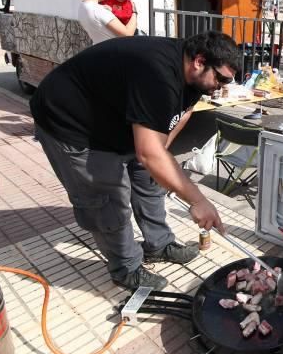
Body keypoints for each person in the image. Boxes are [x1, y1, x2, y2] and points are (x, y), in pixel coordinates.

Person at [30, 31, 240, 291]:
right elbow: (148, 152)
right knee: (108, 201)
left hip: (119, 119)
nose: (221, 86)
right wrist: (197, 200)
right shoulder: (158, 74)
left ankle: (159, 244)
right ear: (199, 61)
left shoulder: (195, 78)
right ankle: (125, 268)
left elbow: (182, 114)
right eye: (220, 78)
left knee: (151, 181)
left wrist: (160, 153)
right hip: (71, 123)